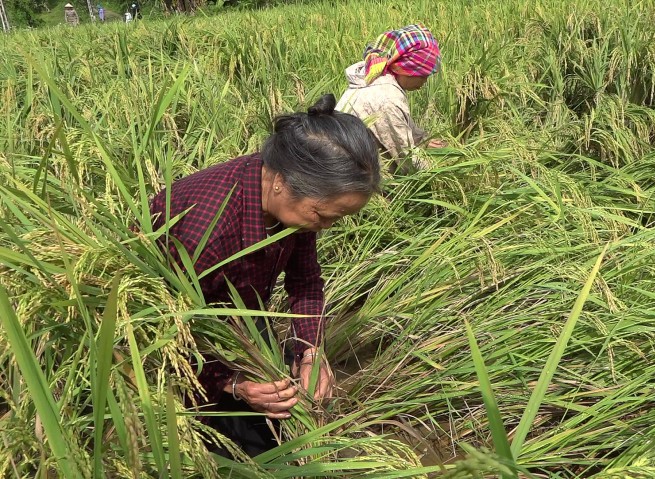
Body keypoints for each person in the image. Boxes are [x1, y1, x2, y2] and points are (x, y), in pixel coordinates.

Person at [149, 94, 380, 456]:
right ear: (281, 183)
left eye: (340, 218)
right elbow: (163, 328)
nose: (328, 227)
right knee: (220, 449)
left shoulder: (292, 203)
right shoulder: (204, 233)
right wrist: (233, 384)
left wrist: (310, 351)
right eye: (324, 216)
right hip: (169, 331)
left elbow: (305, 280)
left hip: (236, 310)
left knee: (281, 425)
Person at [337, 23, 446, 174]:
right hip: (348, 175)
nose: (425, 81)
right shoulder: (386, 98)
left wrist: (422, 140)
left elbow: (398, 125)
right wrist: (442, 171)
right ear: (407, 69)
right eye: (423, 75)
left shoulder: (382, 77)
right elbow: (407, 158)